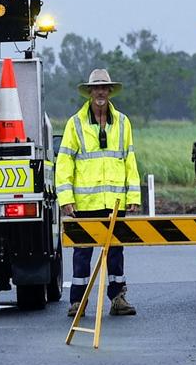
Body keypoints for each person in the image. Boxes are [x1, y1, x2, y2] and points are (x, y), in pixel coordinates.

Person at [57, 68, 142, 317]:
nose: (101, 92)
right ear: (90, 92)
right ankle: (78, 302)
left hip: (115, 202)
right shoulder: (75, 124)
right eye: (96, 88)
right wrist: (66, 199)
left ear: (110, 91)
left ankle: (118, 299)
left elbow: (130, 161)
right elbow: (64, 163)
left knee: (116, 251)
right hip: (86, 203)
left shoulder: (123, 122)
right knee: (82, 252)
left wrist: (133, 196)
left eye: (104, 88)